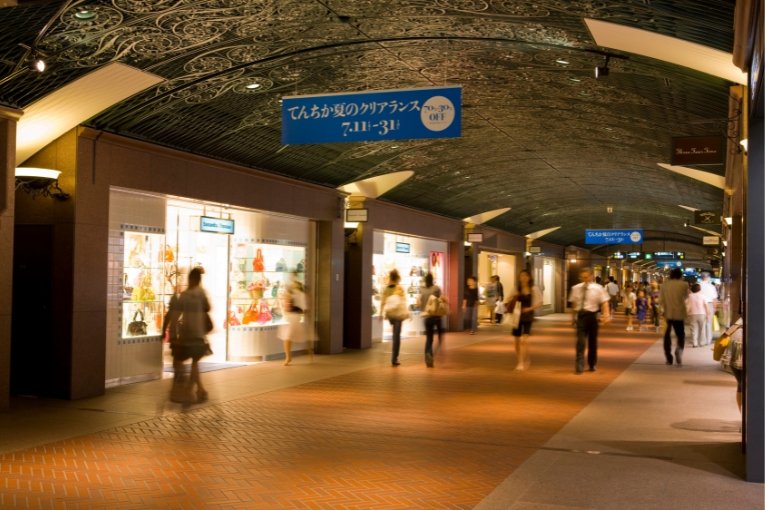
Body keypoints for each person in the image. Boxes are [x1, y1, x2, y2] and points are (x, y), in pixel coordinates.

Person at [164, 267, 212, 403]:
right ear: (199, 280)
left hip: (186, 335)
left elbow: (175, 314)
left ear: (190, 279)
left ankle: (194, 390)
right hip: (199, 335)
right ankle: (196, 390)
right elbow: (208, 308)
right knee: (195, 363)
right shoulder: (201, 294)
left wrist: (169, 330)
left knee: (185, 362)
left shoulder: (184, 295)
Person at [568, 267, 610, 374]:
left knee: (592, 342)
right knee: (580, 342)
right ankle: (579, 365)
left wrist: (606, 315)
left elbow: (604, 302)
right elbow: (574, 304)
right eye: (582, 277)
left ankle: (592, 363)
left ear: (591, 276)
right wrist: (572, 318)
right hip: (581, 316)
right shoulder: (575, 288)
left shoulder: (598, 288)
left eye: (586, 277)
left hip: (592, 316)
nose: (584, 279)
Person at [505, 269, 542, 370]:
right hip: (516, 316)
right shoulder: (516, 288)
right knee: (517, 340)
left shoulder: (533, 288)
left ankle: (521, 362)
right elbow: (507, 299)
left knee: (524, 340)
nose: (523, 278)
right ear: (519, 277)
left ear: (529, 277)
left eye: (526, 276)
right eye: (521, 276)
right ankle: (523, 359)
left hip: (528, 316)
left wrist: (529, 309)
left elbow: (540, 302)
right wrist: (512, 297)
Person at [659, 268, 689, 366]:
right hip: (679, 313)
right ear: (680, 275)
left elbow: (661, 300)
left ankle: (669, 358)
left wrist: (661, 311)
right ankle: (679, 349)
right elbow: (686, 297)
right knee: (680, 334)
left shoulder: (664, 285)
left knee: (666, 336)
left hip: (667, 313)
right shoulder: (684, 284)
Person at [279, 271, 307, 366]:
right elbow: (285, 299)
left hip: (296, 313)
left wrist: (304, 309)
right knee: (289, 336)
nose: (291, 277)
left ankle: (289, 357)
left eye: (292, 275)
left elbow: (303, 299)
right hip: (289, 314)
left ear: (295, 276)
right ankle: (288, 356)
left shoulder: (299, 286)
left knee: (290, 336)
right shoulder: (289, 287)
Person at [381, 269, 408, 366]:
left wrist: (381, 313)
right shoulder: (399, 288)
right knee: (396, 336)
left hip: (390, 315)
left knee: (395, 334)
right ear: (397, 277)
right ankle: (394, 358)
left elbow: (383, 301)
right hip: (398, 314)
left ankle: (394, 357)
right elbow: (403, 300)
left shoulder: (386, 288)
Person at [419, 273, 446, 367]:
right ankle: (434, 353)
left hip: (426, 317)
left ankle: (428, 354)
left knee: (429, 338)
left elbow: (419, 303)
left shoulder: (421, 289)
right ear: (432, 279)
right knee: (440, 336)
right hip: (436, 316)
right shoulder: (436, 288)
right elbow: (441, 300)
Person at [686, 283, 708, 348]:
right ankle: (702, 343)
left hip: (692, 314)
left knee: (693, 329)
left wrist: (687, 313)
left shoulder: (690, 296)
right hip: (702, 314)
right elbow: (706, 305)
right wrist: (707, 314)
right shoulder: (703, 296)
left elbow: (687, 306)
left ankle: (695, 343)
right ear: (699, 289)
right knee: (702, 329)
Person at [699, 272, 718, 346]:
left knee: (702, 324)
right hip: (709, 305)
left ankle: (702, 341)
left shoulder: (698, 285)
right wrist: (714, 308)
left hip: (700, 305)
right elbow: (714, 299)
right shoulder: (712, 287)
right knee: (708, 323)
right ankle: (708, 340)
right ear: (708, 277)